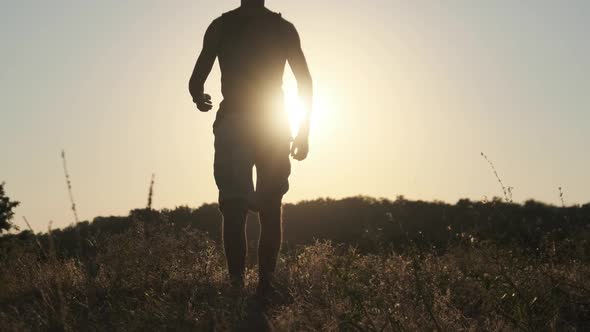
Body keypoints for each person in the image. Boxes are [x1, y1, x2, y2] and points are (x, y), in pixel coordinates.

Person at [188, 0, 313, 298]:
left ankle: (235, 287)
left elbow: (196, 80)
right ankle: (266, 288)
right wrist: (304, 130)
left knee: (233, 209)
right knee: (270, 209)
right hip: (273, 123)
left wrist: (199, 97)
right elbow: (304, 82)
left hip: (234, 121)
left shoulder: (221, 26)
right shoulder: (283, 29)